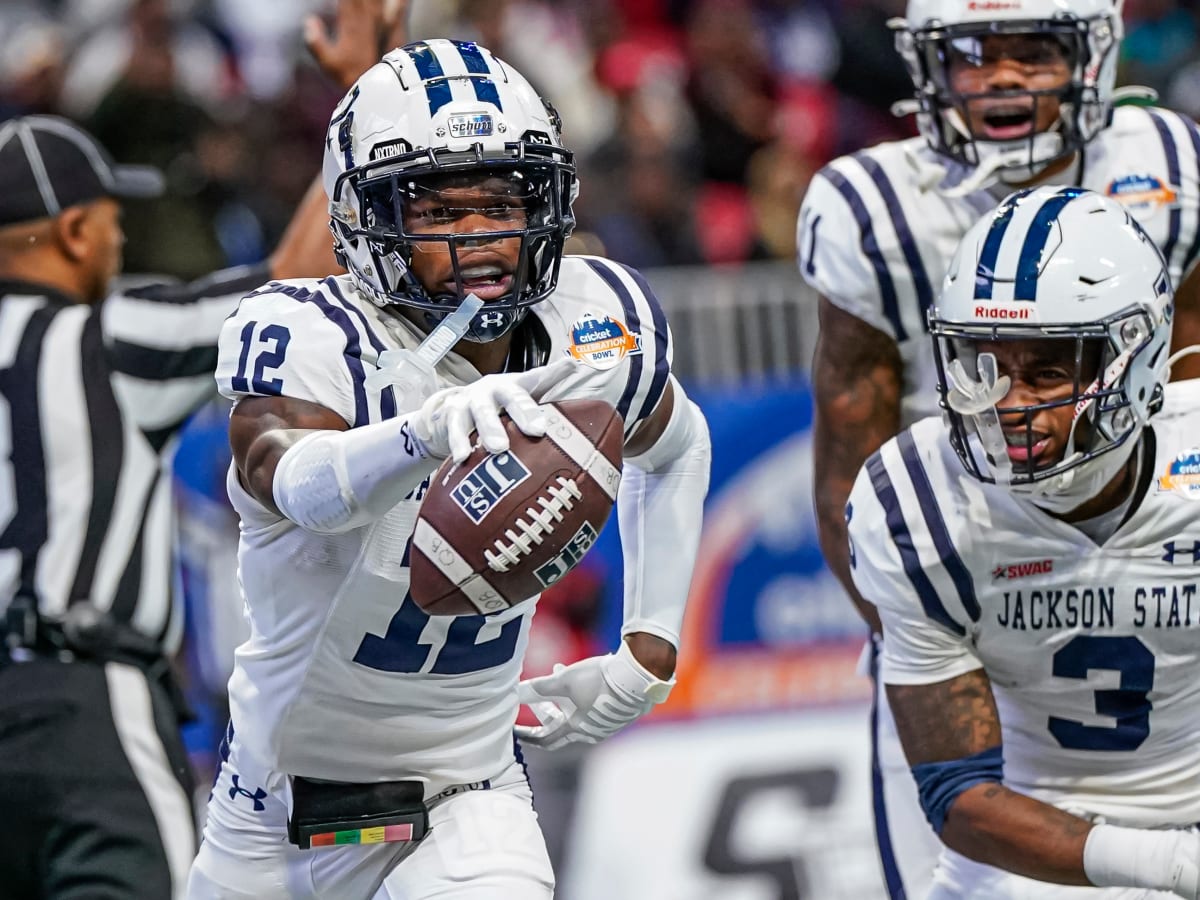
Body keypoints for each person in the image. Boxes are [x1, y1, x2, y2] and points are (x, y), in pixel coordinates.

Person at [185, 38, 711, 900]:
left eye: (503, 202)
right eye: (441, 213)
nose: (483, 238)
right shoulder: (314, 335)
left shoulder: (594, 323)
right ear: (367, 220)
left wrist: (649, 644)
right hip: (271, 815)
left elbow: (680, 444)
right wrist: (417, 437)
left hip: (466, 792)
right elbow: (289, 479)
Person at [0, 3, 405, 898]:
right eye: (110, 218)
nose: (120, 237)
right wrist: (357, 98)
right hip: (82, 699)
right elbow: (286, 297)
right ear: (72, 232)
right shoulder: (100, 335)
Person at [796, 1, 1200, 894]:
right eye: (974, 52)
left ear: (1091, 53)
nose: (1003, 76)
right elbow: (844, 473)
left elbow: (1182, 392)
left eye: (1033, 49)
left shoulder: (1164, 164)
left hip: (1144, 539)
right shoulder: (871, 210)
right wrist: (941, 623)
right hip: (963, 549)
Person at [848, 184, 1200, 899]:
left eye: (1046, 370)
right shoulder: (916, 501)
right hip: (1026, 857)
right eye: (986, 367)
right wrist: (1173, 869)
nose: (1008, 405)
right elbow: (959, 795)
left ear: (1137, 359)